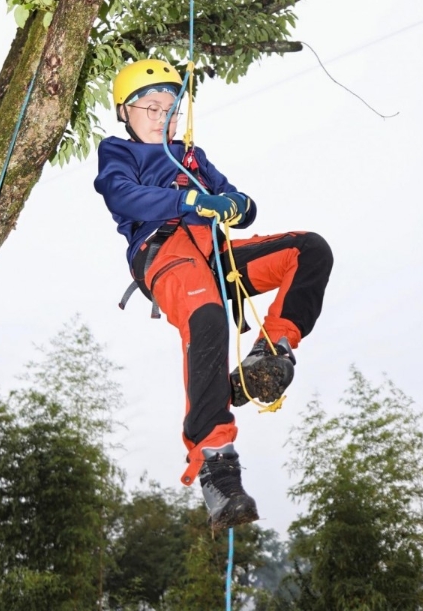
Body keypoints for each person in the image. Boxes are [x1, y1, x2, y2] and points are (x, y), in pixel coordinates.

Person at [94, 59, 333, 530]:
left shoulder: (191, 155)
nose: (163, 117)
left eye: (172, 108)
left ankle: (270, 351)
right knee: (207, 317)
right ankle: (216, 463)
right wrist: (187, 201)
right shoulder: (118, 152)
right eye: (151, 107)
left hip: (215, 251)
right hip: (166, 251)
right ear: (125, 111)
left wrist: (239, 205)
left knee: (308, 250)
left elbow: (235, 201)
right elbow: (120, 194)